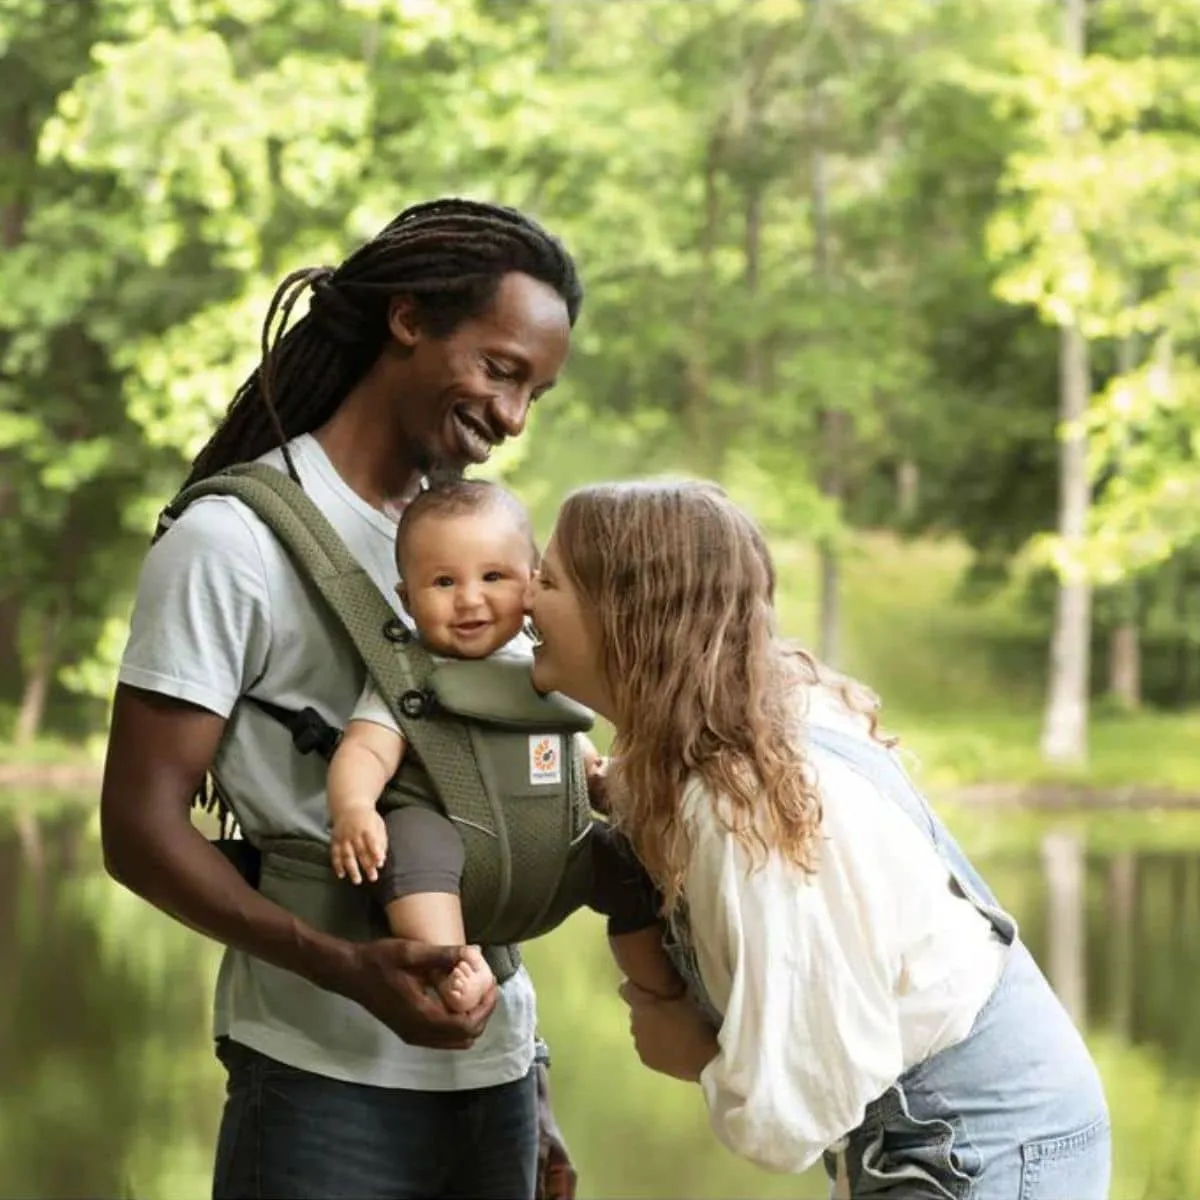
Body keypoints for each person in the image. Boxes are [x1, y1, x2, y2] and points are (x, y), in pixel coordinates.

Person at [100, 199, 588, 1200]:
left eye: (535, 392)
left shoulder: (474, 550)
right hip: (323, 1087)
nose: (512, 418)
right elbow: (138, 831)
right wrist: (341, 966)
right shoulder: (231, 543)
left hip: (493, 1077)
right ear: (408, 320)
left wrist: (532, 1082)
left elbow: (489, 792)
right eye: (500, 371)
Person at [524, 478, 1112, 1200]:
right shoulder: (753, 730)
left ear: (624, 614)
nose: (524, 598)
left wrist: (698, 1055)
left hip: (981, 1151)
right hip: (964, 1137)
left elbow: (796, 1111)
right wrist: (621, 790)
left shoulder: (746, 814)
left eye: (547, 579)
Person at [325, 477, 681, 1013]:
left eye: (494, 576)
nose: (470, 599)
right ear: (406, 597)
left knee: (632, 869)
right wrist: (353, 807)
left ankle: (658, 988)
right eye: (443, 583)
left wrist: (595, 777)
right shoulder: (408, 674)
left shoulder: (543, 661)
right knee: (411, 842)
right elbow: (365, 750)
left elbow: (562, 735)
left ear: (532, 585)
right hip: (458, 853)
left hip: (555, 846)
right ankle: (455, 966)